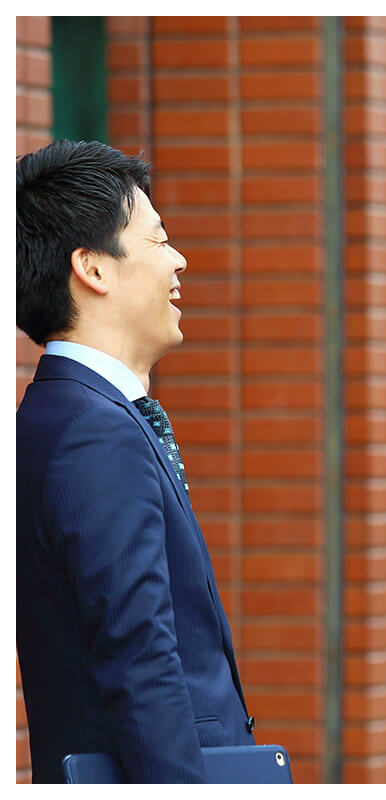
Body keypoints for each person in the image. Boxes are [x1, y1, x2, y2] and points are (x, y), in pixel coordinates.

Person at [16, 140, 255, 783]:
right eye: (158, 239)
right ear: (92, 268)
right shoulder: (93, 434)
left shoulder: (52, 417)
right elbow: (141, 659)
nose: (180, 260)